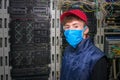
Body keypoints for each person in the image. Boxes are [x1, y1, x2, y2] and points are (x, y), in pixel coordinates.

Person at [60, 9, 108, 80]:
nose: (70, 31)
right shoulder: (67, 51)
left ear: (85, 30)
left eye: (76, 26)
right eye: (67, 27)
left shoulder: (97, 58)